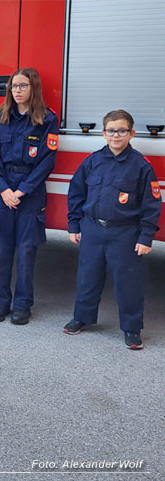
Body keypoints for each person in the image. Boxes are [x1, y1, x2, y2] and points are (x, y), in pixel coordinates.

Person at [64, 110, 161, 349]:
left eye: (121, 130)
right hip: (93, 229)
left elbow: (151, 204)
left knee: (129, 282)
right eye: (111, 130)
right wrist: (74, 224)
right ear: (103, 133)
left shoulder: (141, 166)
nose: (116, 135)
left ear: (131, 133)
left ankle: (132, 328)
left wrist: (146, 236)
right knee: (88, 277)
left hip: (125, 233)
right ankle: (82, 318)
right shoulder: (92, 161)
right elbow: (76, 194)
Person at [0, 67, 59, 325]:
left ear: (33, 88)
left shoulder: (47, 119)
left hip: (30, 193)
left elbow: (47, 161)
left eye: (22, 86)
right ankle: (0, 303)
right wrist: (4, 189)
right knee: (2, 250)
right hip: (4, 190)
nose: (17, 91)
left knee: (27, 253)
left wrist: (22, 190)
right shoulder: (0, 116)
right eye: (14, 86)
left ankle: (22, 306)